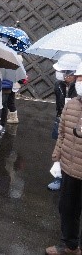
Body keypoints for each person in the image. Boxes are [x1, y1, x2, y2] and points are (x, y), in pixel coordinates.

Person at [45, 62, 82, 255]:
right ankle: (70, 245)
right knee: (67, 208)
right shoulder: (72, 104)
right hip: (69, 166)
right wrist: (57, 156)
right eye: (79, 77)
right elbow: (62, 133)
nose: (80, 82)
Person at [47, 53, 80, 191]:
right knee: (59, 146)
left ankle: (68, 177)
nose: (60, 74)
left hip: (76, 124)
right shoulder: (58, 85)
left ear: (71, 73)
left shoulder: (78, 87)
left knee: (72, 150)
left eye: (63, 71)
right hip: (61, 118)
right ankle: (58, 176)